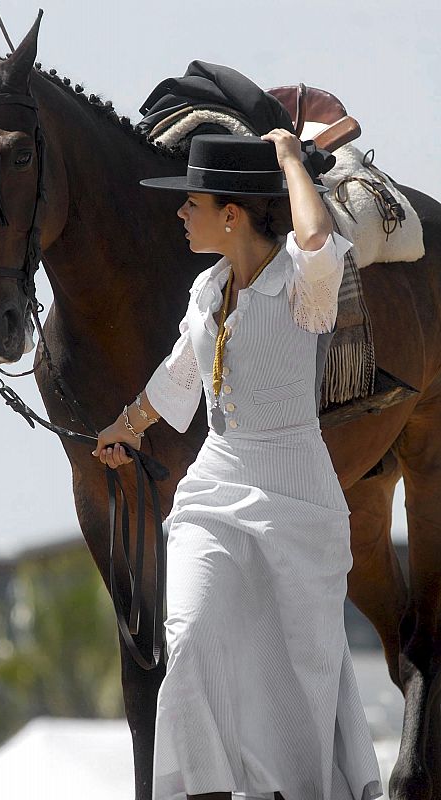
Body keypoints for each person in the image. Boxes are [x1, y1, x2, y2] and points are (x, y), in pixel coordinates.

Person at [92, 131, 383, 800]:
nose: (180, 214)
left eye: (191, 202)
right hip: (215, 485)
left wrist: (287, 157)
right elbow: (179, 375)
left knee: (295, 681)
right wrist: (126, 430)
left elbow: (314, 237)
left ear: (232, 214)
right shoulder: (205, 289)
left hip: (296, 495)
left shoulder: (301, 284)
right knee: (190, 638)